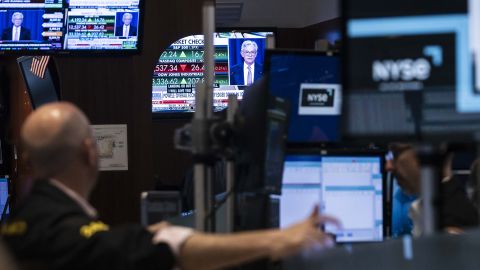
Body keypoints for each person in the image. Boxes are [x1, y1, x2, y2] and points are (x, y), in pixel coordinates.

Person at [1, 102, 339, 270]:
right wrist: (280, 238)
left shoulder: (21, 221)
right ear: (90, 152)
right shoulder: (62, 232)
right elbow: (167, 245)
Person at [386, 143, 478, 237]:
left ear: (430, 151)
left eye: (396, 154)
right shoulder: (441, 207)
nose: (388, 166)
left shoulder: (450, 226)